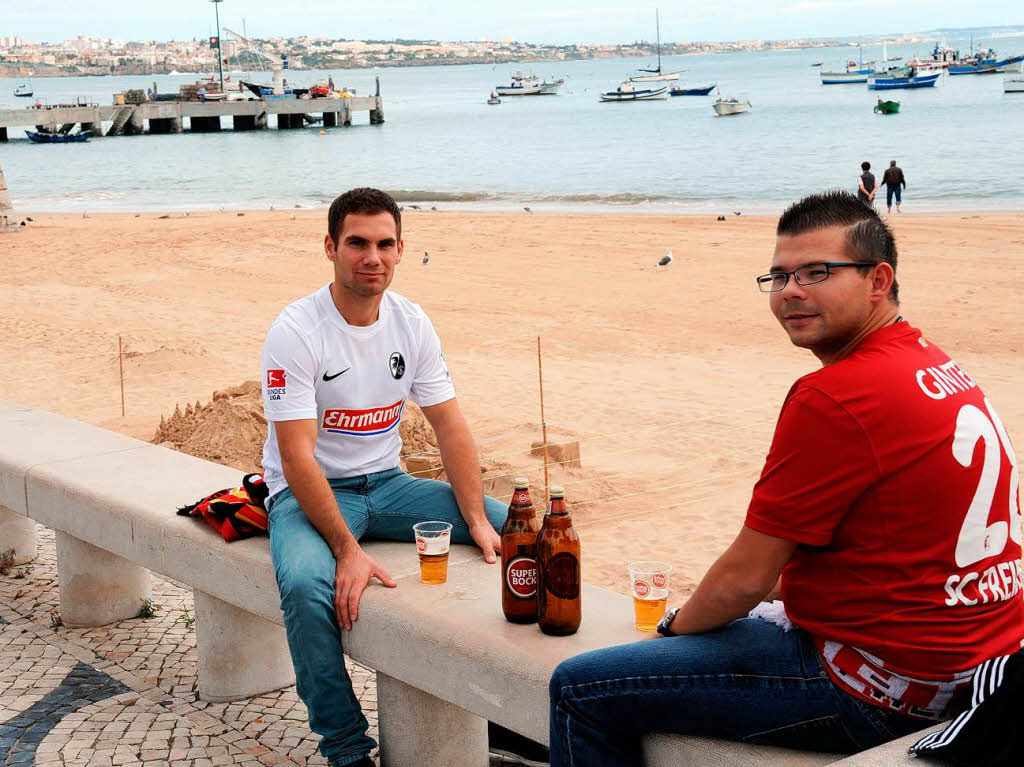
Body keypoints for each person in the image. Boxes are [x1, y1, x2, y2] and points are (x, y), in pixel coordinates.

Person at [548, 191, 1024, 766]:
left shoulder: (835, 395)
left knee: (580, 688)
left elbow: (744, 581)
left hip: (890, 687)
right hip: (983, 658)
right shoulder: (933, 360)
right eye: (778, 276)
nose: (790, 291)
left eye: (816, 272)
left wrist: (675, 630)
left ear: (879, 280)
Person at [261, 187, 507, 767]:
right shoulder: (296, 330)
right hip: (310, 495)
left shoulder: (411, 322)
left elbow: (449, 426)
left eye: (384, 244)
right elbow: (296, 458)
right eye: (357, 243)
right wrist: (346, 549)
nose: (372, 257)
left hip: (390, 485)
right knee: (304, 587)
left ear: (401, 250)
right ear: (331, 248)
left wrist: (474, 516)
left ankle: (507, 715)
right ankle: (346, 748)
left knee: (518, 532)